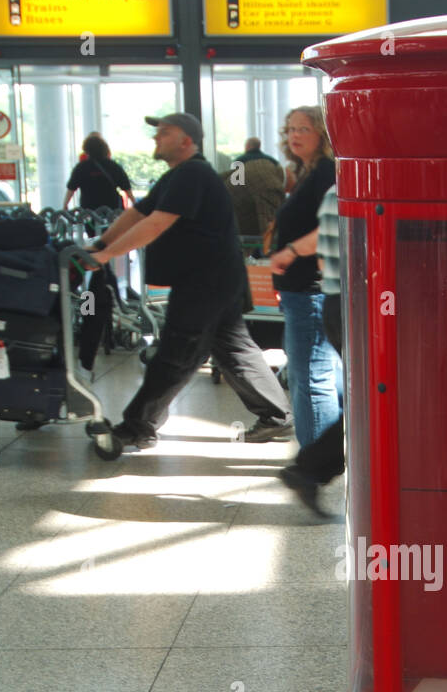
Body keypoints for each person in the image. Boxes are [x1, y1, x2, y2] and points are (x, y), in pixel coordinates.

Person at [86, 111, 293, 451]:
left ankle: (138, 426)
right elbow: (137, 214)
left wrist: (106, 256)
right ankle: (276, 417)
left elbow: (155, 225)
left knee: (176, 352)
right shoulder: (176, 176)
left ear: (186, 141)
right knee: (234, 348)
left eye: (164, 133)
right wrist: (99, 244)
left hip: (205, 282)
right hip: (216, 279)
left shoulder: (193, 174)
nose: (157, 138)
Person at [269, 106, 342, 449]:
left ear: (323, 135)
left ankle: (314, 462)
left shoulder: (326, 172)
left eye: (304, 129)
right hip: (304, 290)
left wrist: (291, 251)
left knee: (311, 377)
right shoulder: (308, 171)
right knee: (321, 374)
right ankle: (331, 453)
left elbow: (333, 224)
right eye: (290, 130)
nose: (294, 136)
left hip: (310, 289)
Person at [280, 185, 344, 516]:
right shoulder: (350, 188)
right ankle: (309, 468)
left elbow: (322, 255)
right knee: (375, 403)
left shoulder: (332, 189)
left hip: (335, 300)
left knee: (362, 398)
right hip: (350, 304)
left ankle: (310, 468)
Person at [64, 134, 132, 213]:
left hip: (89, 208)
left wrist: (65, 204)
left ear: (86, 149)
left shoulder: (81, 167)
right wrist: (134, 202)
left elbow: (71, 188)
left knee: (90, 225)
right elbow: (126, 187)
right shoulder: (113, 166)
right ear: (104, 148)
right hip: (112, 207)